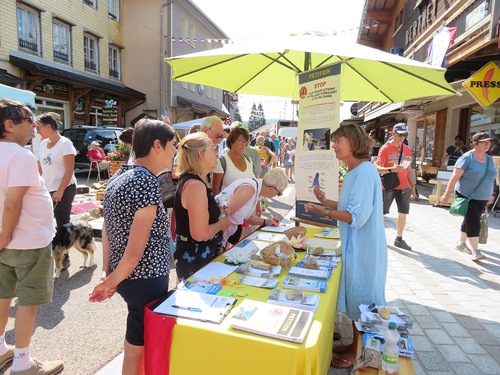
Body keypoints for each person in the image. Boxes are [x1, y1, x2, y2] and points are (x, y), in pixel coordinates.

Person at [89, 118, 177, 375]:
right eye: (173, 145)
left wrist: (108, 272)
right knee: (141, 343)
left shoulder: (121, 175)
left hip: (129, 276)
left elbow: (108, 227)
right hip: (145, 278)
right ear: (157, 145)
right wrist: (108, 281)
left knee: (135, 337)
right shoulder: (146, 182)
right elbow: (135, 252)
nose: (175, 152)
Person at [304, 124, 387, 369]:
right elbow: (346, 206)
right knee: (357, 294)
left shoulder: (362, 172)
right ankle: (355, 345)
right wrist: (325, 201)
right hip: (356, 244)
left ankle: (360, 351)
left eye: (339, 141)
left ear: (353, 142)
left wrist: (325, 211)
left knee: (363, 297)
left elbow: (355, 215)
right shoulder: (354, 171)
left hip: (364, 246)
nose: (334, 145)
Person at [0, 99, 64, 375]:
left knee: (3, 297)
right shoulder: (20, 156)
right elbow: (13, 204)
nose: (34, 124)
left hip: (8, 242)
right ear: (9, 125)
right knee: (28, 303)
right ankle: (23, 363)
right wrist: (4, 238)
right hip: (28, 242)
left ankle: (2, 350)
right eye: (29, 119)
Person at [174, 132, 231, 279]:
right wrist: (222, 224)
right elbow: (200, 234)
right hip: (196, 260)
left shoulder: (193, 181)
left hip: (196, 258)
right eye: (213, 148)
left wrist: (216, 210)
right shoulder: (195, 185)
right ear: (201, 154)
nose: (217, 151)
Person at [440, 132, 497, 261]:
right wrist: (447, 193)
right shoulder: (467, 158)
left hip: (483, 196)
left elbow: (491, 177)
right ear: (475, 144)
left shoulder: (489, 159)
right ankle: (475, 250)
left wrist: (492, 193)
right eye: (484, 143)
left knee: (471, 218)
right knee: (474, 221)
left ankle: (461, 243)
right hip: (468, 195)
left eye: (488, 143)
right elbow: (455, 177)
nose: (487, 145)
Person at [35, 113, 77, 271]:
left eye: (39, 128)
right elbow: (40, 168)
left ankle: (65, 256)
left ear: (48, 127)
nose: (37, 131)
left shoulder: (65, 144)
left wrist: (60, 190)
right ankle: (50, 253)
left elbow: (69, 170)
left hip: (64, 189)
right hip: (47, 189)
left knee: (62, 223)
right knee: (45, 221)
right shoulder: (43, 143)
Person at [220, 168, 287, 247]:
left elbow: (247, 217)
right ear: (271, 188)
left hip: (224, 234)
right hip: (217, 234)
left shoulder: (256, 188)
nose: (277, 196)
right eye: (279, 193)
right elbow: (224, 213)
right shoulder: (249, 190)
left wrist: (267, 222)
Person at [376, 123, 416, 250]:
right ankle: (377, 237)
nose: (402, 137)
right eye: (400, 134)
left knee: (403, 213)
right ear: (393, 133)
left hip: (404, 186)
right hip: (388, 186)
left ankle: (399, 238)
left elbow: (409, 170)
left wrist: (413, 187)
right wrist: (391, 169)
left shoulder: (407, 149)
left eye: (405, 135)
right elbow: (377, 168)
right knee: (381, 213)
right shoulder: (385, 148)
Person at [212, 125, 255, 195]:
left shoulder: (249, 160)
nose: (243, 144)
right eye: (240, 141)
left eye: (245, 142)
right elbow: (215, 190)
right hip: (228, 205)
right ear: (232, 142)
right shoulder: (222, 161)